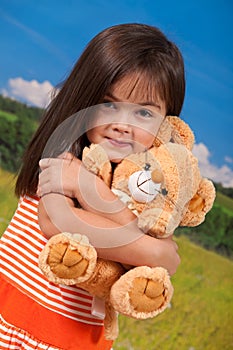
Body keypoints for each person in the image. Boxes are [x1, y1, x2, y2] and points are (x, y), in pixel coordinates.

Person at [0, 23, 184, 350]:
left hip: (78, 341)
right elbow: (58, 223)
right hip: (17, 319)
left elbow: (164, 256)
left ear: (168, 123)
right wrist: (155, 250)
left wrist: (94, 192)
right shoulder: (67, 153)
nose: (120, 125)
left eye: (143, 112)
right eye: (108, 104)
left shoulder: (148, 186)